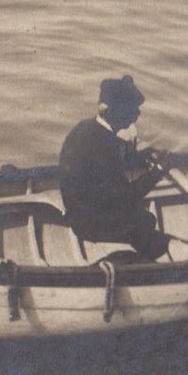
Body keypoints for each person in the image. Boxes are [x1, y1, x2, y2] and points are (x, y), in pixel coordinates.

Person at [58, 75, 172, 262]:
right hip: (88, 222)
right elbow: (124, 196)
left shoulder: (88, 129)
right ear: (111, 110)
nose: (137, 114)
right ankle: (141, 268)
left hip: (78, 211)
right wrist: (157, 172)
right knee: (146, 221)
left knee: (143, 220)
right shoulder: (103, 145)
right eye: (131, 109)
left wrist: (142, 157)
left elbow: (114, 159)